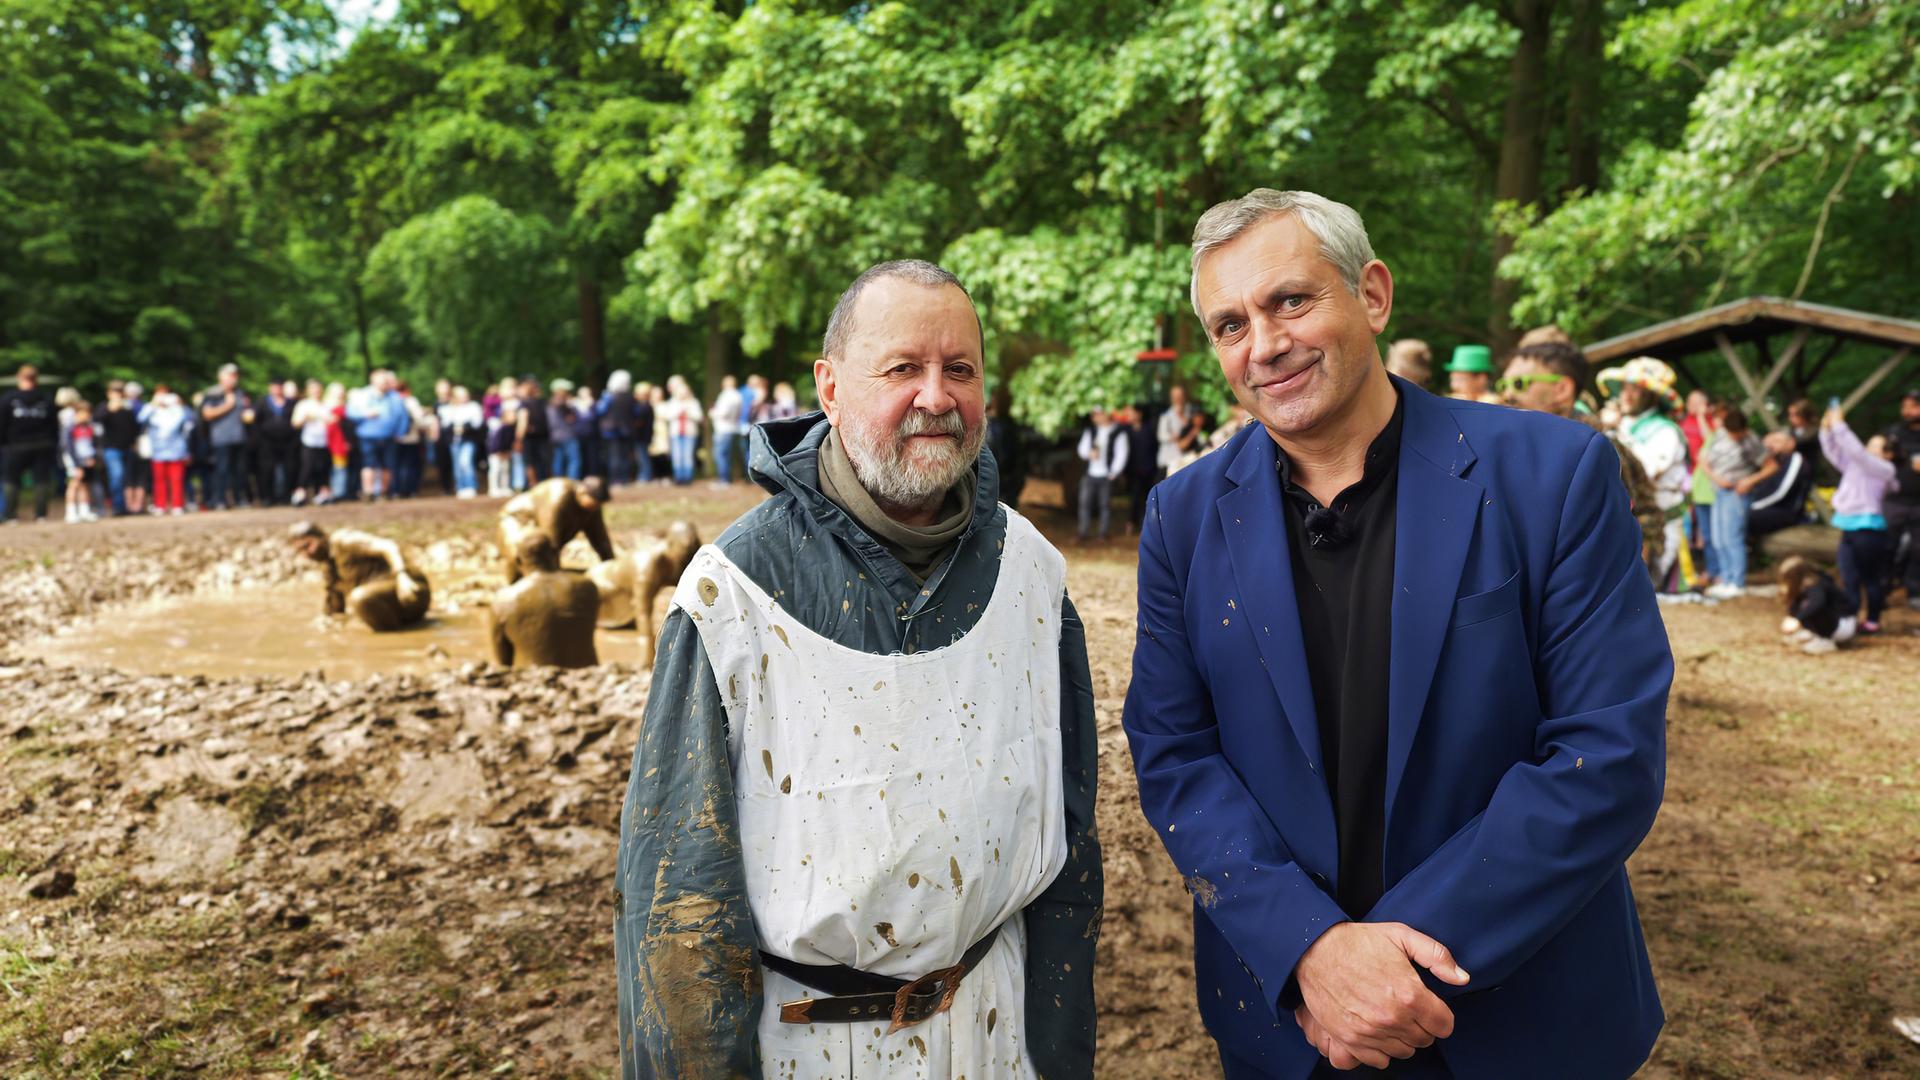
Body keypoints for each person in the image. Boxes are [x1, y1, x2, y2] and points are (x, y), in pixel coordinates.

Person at [1128, 189, 1668, 1079]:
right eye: (1230, 325)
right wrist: (1311, 949)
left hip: (1519, 1015)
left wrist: (1386, 962)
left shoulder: (1553, 474)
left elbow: (1607, 753)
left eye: (1291, 301)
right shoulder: (1181, 516)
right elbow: (1174, 752)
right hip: (1291, 1021)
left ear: (1371, 295)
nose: (1264, 345)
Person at [616, 259, 1100, 1079]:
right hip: (807, 1047)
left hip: (994, 1032)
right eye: (903, 368)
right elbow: (680, 913)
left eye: (960, 370)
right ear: (830, 387)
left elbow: (1070, 851)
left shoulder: (1032, 574)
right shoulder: (731, 595)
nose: (937, 398)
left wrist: (1058, 1053)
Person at [1499, 342, 1664, 570]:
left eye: (1519, 384)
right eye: (1503, 385)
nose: (1507, 395)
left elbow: (1636, 519)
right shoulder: (1514, 444)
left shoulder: (1597, 448)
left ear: (1563, 389)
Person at [1601, 358, 1691, 592]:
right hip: (1624, 519)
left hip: (1657, 521)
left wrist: (1614, 432)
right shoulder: (1623, 426)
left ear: (1652, 396)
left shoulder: (1666, 431)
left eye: (1636, 389)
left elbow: (1646, 473)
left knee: (1643, 589)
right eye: (1625, 388)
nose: (1626, 395)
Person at [1819, 406, 1898, 634]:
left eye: (1876, 446)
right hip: (1848, 526)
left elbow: (1857, 453)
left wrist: (1839, 425)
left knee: (1870, 579)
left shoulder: (1884, 469)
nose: (1869, 449)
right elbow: (1834, 451)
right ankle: (1849, 619)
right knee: (1848, 577)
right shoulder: (1856, 467)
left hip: (1870, 530)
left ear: (1888, 454)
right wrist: (1827, 429)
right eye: (1869, 444)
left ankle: (1872, 620)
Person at [587, 520, 700, 668]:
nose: (688, 557)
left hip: (625, 596)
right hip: (603, 590)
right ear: (670, 545)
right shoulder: (648, 565)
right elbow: (642, 609)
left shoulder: (680, 558)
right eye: (685, 552)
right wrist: (648, 655)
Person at [289, 521, 431, 632]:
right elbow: (334, 606)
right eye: (300, 550)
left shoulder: (343, 540)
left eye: (308, 546)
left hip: (411, 590)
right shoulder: (328, 565)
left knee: (359, 598)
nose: (307, 554)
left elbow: (388, 546)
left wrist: (402, 575)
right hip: (387, 602)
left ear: (322, 537)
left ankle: (393, 638)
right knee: (358, 603)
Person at [488, 533, 600, 669]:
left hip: (532, 679)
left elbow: (504, 663)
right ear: (556, 555)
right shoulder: (586, 587)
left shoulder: (503, 600)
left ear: (518, 561)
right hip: (588, 675)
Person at [1699, 404, 1772, 599]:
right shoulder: (1720, 434)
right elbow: (1704, 461)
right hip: (1719, 491)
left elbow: (1771, 466)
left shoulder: (1750, 441)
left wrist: (1749, 481)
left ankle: (1736, 581)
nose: (1735, 437)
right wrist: (1715, 478)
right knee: (1718, 537)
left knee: (1733, 537)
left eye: (1737, 433)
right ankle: (1726, 578)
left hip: (1737, 494)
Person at [496, 476, 615, 583]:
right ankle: (513, 589)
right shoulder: (559, 495)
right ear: (582, 492)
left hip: (539, 530)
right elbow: (550, 540)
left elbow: (600, 539)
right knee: (523, 554)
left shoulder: (592, 508)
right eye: (594, 503)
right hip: (517, 520)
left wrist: (611, 568)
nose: (597, 507)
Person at [3, 365, 63, 524]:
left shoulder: (8, 399)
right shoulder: (46, 399)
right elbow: (54, 426)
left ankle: (11, 516)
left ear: (19, 378)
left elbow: (1, 424)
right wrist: (54, 444)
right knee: (41, 480)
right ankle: (40, 515)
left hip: (16, 446)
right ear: (36, 379)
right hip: (42, 445)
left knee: (11, 480)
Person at [1774, 555, 1858, 655]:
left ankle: (1825, 641)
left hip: (1842, 625)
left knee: (1812, 607)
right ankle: (1813, 635)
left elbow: (1817, 603)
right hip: (1833, 623)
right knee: (1801, 604)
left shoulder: (1818, 585)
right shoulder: (1804, 586)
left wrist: (1797, 619)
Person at [348, 370, 410, 500]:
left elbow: (403, 416)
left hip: (389, 436)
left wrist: (400, 432)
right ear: (373, 381)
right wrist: (364, 414)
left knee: (387, 465)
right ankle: (368, 492)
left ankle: (384, 492)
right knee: (368, 464)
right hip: (367, 436)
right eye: (382, 382)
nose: (384, 384)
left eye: (386, 382)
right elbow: (350, 413)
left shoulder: (395, 397)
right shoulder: (362, 395)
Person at [1885, 388, 1920, 610]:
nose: (1907, 411)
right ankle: (1882, 588)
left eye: (1913, 406)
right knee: (1887, 544)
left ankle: (1914, 590)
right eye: (1905, 406)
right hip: (1895, 499)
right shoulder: (1894, 432)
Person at [199, 364, 252, 510]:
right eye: (230, 375)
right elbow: (207, 414)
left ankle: (239, 499)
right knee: (222, 470)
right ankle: (220, 500)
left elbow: (246, 412)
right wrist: (227, 406)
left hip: (239, 437)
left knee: (240, 471)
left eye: (235, 376)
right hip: (221, 439)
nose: (233, 379)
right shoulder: (213, 393)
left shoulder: (241, 393)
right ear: (221, 377)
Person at [1748, 430, 1814, 539]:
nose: (1769, 445)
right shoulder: (1766, 462)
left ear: (1791, 443)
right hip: (1762, 509)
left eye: (1776, 441)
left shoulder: (1795, 459)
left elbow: (1781, 492)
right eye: (1767, 441)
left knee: (1742, 518)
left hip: (1785, 511)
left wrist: (1751, 507)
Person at [1075, 405, 1128, 541]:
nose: (1095, 417)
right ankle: (1083, 532)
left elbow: (1121, 453)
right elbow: (1082, 449)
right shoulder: (1091, 431)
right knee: (1085, 503)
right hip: (1091, 472)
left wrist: (1114, 472)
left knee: (1104, 505)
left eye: (1098, 414)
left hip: (1106, 474)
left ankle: (1103, 533)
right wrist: (1089, 454)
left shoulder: (1117, 432)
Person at [143, 387, 193, 515]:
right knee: (159, 481)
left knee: (177, 480)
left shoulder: (178, 412)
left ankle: (177, 505)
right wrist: (152, 405)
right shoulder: (153, 412)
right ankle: (160, 505)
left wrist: (177, 405)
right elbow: (140, 419)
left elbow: (188, 421)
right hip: (158, 452)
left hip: (176, 452)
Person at [99, 381, 142, 516]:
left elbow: (135, 428)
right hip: (112, 449)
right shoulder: (104, 407)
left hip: (127, 449)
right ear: (109, 393)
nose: (118, 394)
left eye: (120, 391)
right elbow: (96, 419)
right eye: (115, 391)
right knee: (117, 477)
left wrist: (134, 443)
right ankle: (118, 507)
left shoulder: (127, 409)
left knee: (126, 479)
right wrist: (110, 410)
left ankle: (125, 506)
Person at [254, 379, 299, 505]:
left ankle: (286, 496)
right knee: (267, 469)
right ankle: (267, 497)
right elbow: (256, 421)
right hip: (267, 442)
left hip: (287, 442)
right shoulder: (262, 402)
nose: (277, 389)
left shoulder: (291, 403)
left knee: (289, 469)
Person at [291, 380, 334, 507]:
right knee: (307, 468)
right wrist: (306, 417)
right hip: (309, 441)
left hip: (324, 442)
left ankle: (323, 493)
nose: (316, 391)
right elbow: (295, 423)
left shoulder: (326, 405)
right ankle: (300, 493)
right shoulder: (303, 405)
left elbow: (333, 421)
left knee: (323, 468)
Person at [438, 385, 484, 498]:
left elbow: (477, 424)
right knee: (457, 465)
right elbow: (445, 425)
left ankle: (470, 486)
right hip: (454, 441)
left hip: (468, 440)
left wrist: (464, 427)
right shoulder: (447, 409)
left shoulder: (473, 407)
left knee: (466, 462)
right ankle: (460, 487)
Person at [984, 393, 1029, 510]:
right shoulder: (987, 423)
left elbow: (1018, 457)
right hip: (994, 479)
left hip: (1007, 480)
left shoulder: (1009, 426)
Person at [61, 400, 100, 523]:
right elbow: (67, 447)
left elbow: (92, 444)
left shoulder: (89, 427)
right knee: (74, 484)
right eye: (86, 413)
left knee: (85, 485)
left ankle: (84, 511)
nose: (88, 416)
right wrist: (77, 464)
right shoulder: (70, 427)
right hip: (74, 461)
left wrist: (92, 457)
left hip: (87, 461)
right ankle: (71, 512)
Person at [660, 375, 703, 485]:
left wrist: (689, 412)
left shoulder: (693, 402)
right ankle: (679, 477)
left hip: (689, 433)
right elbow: (667, 416)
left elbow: (699, 417)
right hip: (676, 433)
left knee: (688, 455)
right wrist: (679, 410)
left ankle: (688, 477)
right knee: (677, 456)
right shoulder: (673, 402)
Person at [598, 370, 639, 484]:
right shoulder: (630, 397)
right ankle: (624, 479)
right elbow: (637, 413)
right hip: (625, 430)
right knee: (623, 456)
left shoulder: (608, 397)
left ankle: (616, 480)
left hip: (612, 432)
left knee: (614, 456)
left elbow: (599, 411)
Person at [1156, 383, 1206, 478]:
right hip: (1168, 458)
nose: (1178, 398)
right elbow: (1161, 436)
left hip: (1185, 458)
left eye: (1180, 396)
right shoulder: (1166, 416)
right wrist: (1174, 437)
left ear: (1184, 397)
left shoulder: (1190, 412)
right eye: (1175, 396)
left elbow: (1196, 429)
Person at [708, 373, 744, 484]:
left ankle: (724, 479)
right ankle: (728, 478)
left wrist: (712, 412)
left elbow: (723, 413)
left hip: (723, 429)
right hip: (734, 428)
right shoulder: (738, 395)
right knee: (729, 456)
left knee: (720, 455)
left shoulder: (726, 395)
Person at [515, 377, 549, 489]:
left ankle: (533, 485)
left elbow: (522, 423)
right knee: (543, 462)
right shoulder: (542, 403)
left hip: (529, 438)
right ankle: (545, 485)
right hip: (544, 437)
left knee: (529, 463)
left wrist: (518, 439)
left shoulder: (524, 404)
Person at [548, 379, 582, 481]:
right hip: (567, 435)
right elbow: (571, 418)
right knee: (574, 460)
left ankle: (559, 482)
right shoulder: (562, 403)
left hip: (556, 436)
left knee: (559, 460)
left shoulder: (551, 404)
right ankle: (572, 482)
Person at [647, 382, 673, 484]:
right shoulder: (649, 405)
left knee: (663, 455)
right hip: (652, 432)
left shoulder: (665, 405)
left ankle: (666, 476)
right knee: (653, 455)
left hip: (662, 432)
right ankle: (656, 476)